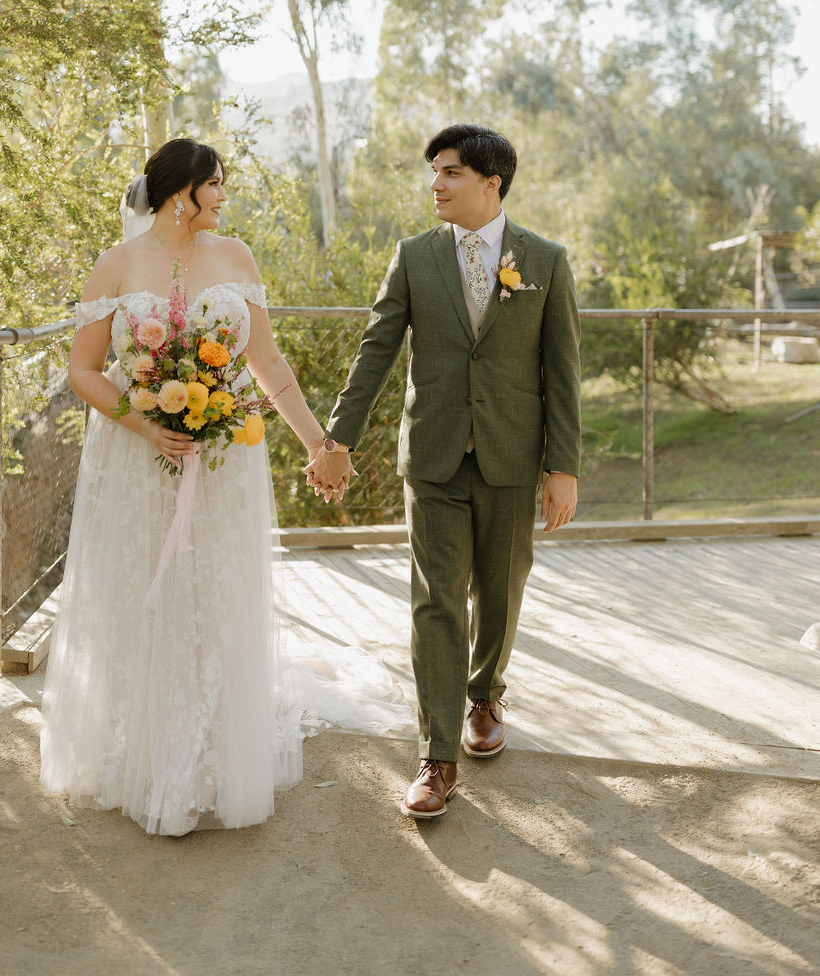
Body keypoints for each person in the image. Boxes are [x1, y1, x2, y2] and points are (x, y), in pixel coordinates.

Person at [40, 137, 339, 836]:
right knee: (151, 598)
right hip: (141, 459)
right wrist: (145, 425)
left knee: (218, 596)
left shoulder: (237, 259)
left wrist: (318, 442)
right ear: (184, 190)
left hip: (227, 461)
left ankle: (211, 762)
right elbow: (85, 370)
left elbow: (268, 363)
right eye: (217, 184)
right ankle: (151, 758)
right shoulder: (115, 266)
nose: (225, 197)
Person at [305, 123, 581, 820]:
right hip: (431, 457)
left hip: (513, 455)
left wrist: (563, 467)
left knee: (501, 588)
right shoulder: (414, 257)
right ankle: (437, 754)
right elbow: (375, 352)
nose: (436, 185)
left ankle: (485, 692)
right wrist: (337, 438)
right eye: (434, 172)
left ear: (492, 182)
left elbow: (562, 373)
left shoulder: (545, 259)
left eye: (450, 172)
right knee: (434, 599)